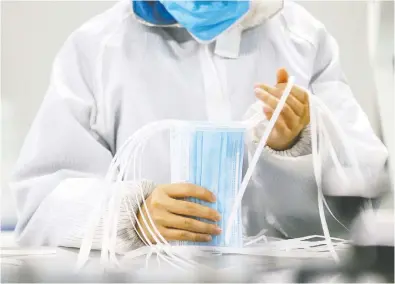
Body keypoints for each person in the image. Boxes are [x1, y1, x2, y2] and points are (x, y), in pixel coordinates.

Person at [12, 0, 387, 252]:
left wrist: (304, 138)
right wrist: (131, 215)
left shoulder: (303, 40)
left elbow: (367, 186)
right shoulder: (96, 50)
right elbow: (40, 205)